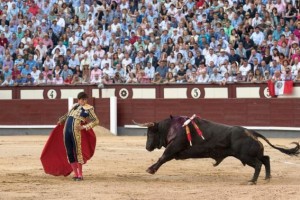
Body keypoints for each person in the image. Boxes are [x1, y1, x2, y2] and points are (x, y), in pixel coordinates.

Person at [57, 92, 99, 181]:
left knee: (78, 152)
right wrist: (61, 120)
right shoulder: (74, 106)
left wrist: (84, 127)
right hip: (66, 132)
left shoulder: (89, 108)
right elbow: (67, 115)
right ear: (78, 100)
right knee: (69, 152)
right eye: (82, 99)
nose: (84, 101)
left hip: (75, 132)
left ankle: (80, 175)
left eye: (85, 99)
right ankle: (75, 174)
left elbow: (96, 121)